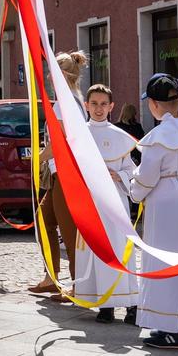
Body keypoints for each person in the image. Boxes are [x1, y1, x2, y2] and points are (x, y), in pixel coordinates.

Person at [128, 74, 178, 349]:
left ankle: (168, 325)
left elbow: (147, 176)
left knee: (165, 260)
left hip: (167, 199)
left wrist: (133, 190)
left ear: (153, 104)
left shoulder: (161, 135)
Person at [74, 84, 139, 324]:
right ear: (86, 105)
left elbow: (132, 171)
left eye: (103, 104)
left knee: (119, 251)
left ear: (112, 107)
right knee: (96, 252)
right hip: (90, 202)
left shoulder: (119, 135)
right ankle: (105, 304)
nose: (99, 109)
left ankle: (131, 304)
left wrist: (118, 176)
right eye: (94, 104)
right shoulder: (78, 133)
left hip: (114, 201)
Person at [28, 50, 86, 296]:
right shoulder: (74, 100)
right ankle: (50, 276)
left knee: (68, 231)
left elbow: (60, 142)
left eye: (52, 73)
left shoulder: (64, 103)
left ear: (61, 75)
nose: (49, 78)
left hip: (65, 174)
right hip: (58, 174)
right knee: (44, 221)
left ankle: (76, 286)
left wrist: (38, 158)